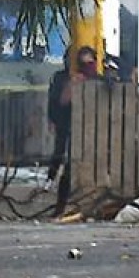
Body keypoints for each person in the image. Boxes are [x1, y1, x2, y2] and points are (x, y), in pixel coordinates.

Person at [46, 45, 99, 216]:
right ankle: (59, 202)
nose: (87, 68)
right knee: (65, 160)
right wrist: (73, 84)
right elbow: (59, 101)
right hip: (69, 125)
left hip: (95, 131)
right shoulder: (65, 79)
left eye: (90, 63)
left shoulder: (99, 80)